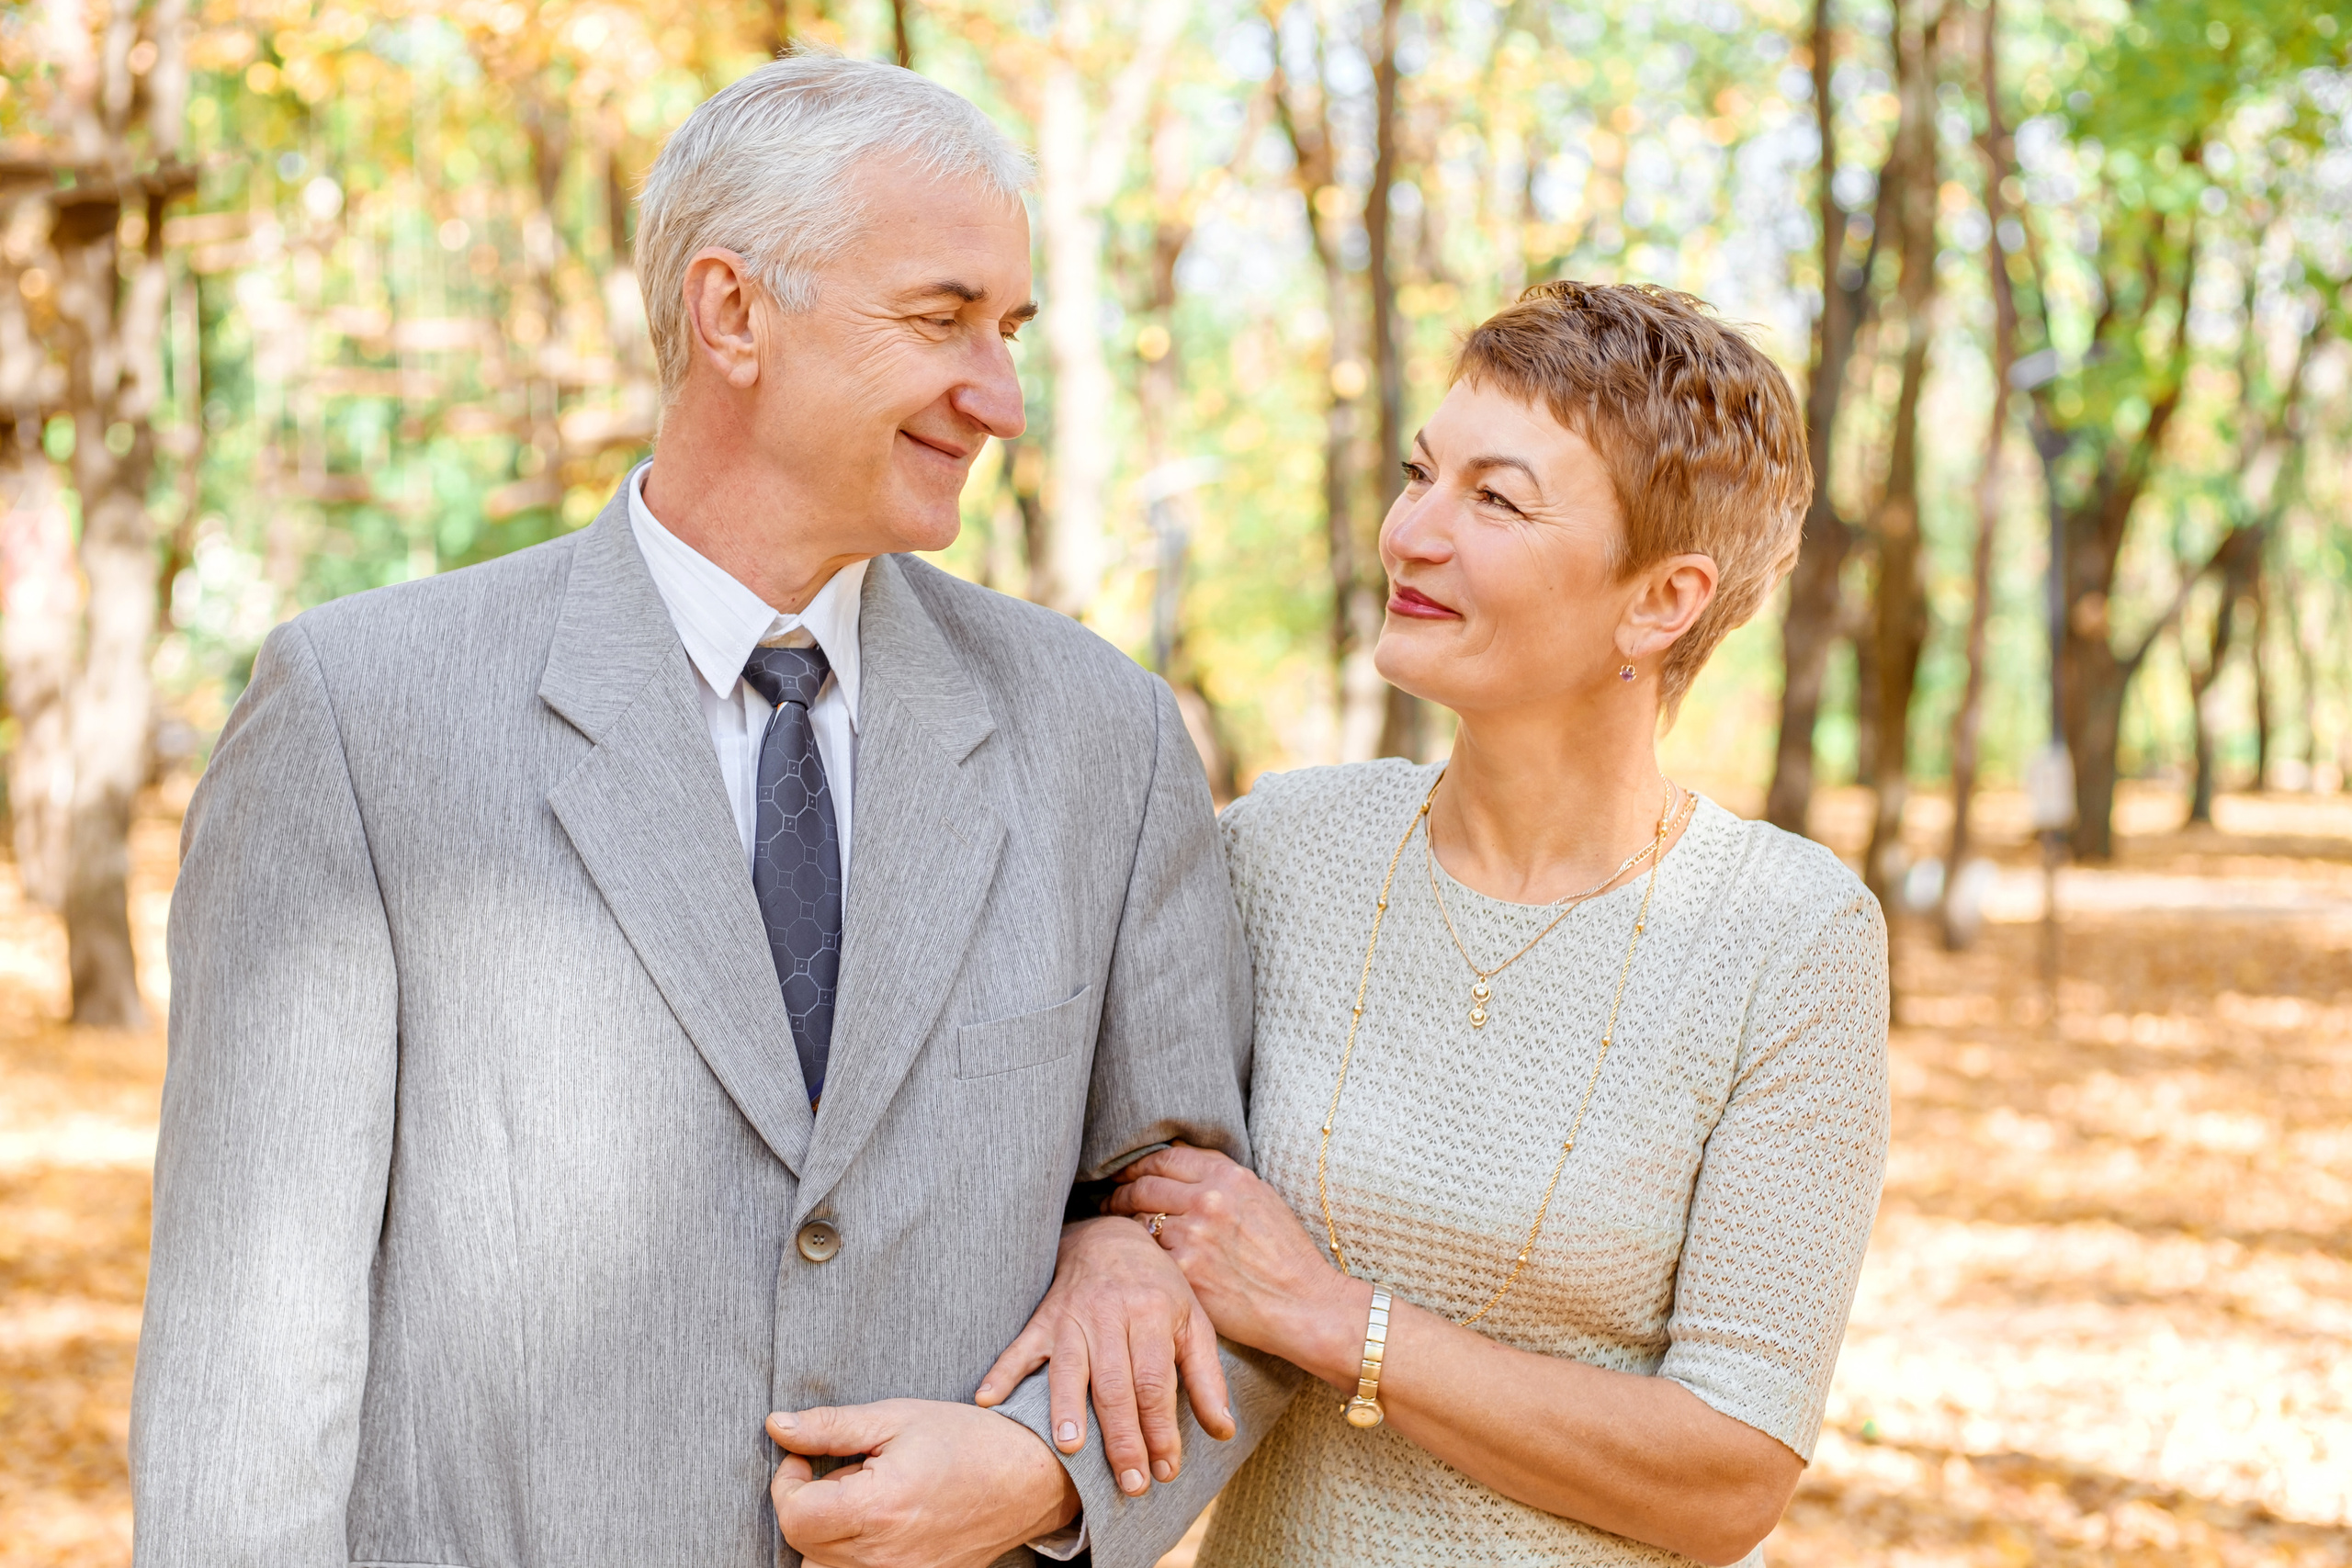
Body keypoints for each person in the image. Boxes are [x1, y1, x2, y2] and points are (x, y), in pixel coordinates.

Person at [130, 56, 1290, 1568]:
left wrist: (1049, 1472)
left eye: (1006, 331)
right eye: (939, 320)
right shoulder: (359, 717)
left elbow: (1226, 1257)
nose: (1000, 399)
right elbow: (249, 1370)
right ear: (732, 312)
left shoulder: (1103, 738)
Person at [1000, 281, 1891, 1566]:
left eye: (1496, 500)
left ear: (1662, 599)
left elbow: (1729, 1474)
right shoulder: (1280, 850)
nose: (1410, 532)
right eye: (1423, 475)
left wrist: (1334, 1320)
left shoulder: (1787, 938)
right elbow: (1106, 1164)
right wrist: (1104, 1245)